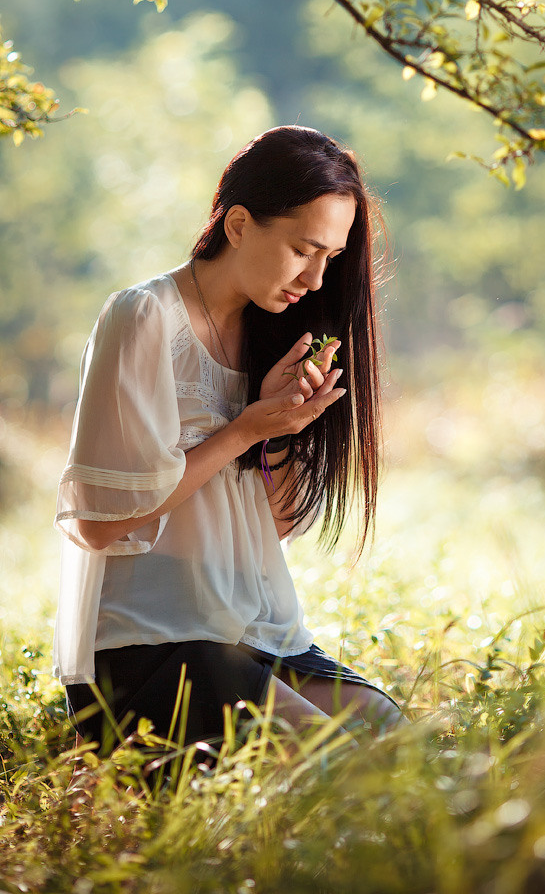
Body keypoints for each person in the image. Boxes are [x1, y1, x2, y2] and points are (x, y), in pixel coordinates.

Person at [53, 125, 403, 757]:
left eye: (331, 257)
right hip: (145, 647)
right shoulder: (143, 319)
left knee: (384, 727)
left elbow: (277, 525)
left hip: (250, 633)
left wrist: (285, 430)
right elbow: (99, 526)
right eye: (304, 250)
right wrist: (244, 428)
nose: (318, 279)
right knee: (331, 754)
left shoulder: (277, 334)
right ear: (239, 225)